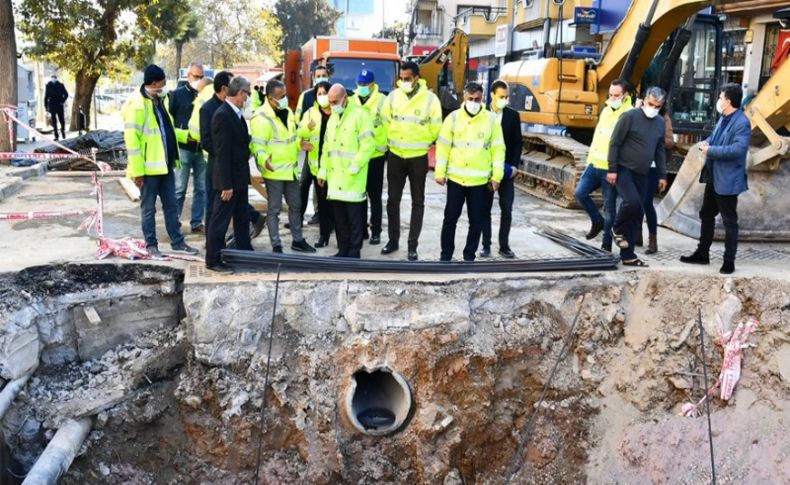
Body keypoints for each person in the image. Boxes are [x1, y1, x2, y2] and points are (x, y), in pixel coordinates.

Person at [122, 64, 198, 258]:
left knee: (171, 206)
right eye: (162, 82)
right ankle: (151, 245)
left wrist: (184, 136)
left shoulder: (160, 100)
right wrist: (137, 171)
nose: (165, 85)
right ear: (154, 82)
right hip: (148, 170)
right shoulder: (137, 105)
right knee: (148, 209)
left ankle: (177, 242)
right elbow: (132, 142)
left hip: (165, 165)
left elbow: (165, 130)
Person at [680, 83, 751, 274]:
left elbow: (738, 150)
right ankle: (702, 254)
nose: (718, 101)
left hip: (727, 180)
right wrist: (708, 142)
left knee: (729, 221)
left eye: (720, 98)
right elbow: (716, 136)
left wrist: (711, 150)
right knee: (706, 214)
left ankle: (729, 261)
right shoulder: (724, 118)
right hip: (713, 176)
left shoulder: (742, 122)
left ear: (728, 101)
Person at [435, 82, 505, 262]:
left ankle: (469, 256)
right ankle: (446, 256)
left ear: (482, 99)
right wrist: (440, 172)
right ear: (464, 98)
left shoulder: (491, 120)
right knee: (450, 219)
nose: (474, 102)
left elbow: (498, 149)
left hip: (479, 182)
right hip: (456, 180)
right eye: (470, 99)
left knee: (477, 221)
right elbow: (443, 147)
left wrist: (497, 176)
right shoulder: (453, 118)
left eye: (477, 99)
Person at [381, 61, 442, 261]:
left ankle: (412, 245)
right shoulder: (392, 97)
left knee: (418, 202)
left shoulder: (430, 100)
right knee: (392, 201)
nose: (404, 82)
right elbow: (385, 122)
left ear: (417, 78)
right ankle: (393, 240)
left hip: (417, 157)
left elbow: (436, 128)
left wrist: (423, 143)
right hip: (396, 155)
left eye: (407, 79)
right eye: (401, 79)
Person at [196, 72, 266, 243]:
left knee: (239, 212)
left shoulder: (235, 111)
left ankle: (242, 247)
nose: (247, 97)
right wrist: (228, 156)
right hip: (219, 168)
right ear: (225, 89)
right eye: (247, 93)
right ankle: (213, 249)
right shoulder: (210, 110)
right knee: (217, 212)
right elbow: (208, 143)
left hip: (236, 170)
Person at [251, 80, 316, 254]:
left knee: (296, 205)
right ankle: (276, 244)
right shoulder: (260, 117)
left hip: (291, 170)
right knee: (274, 209)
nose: (285, 99)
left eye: (285, 95)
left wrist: (300, 143)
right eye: (281, 97)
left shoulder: (287, 112)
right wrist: (264, 159)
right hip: (274, 171)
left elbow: (291, 138)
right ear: (270, 98)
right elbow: (257, 146)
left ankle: (297, 240)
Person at [606, 86, 668, 267]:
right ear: (645, 99)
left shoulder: (659, 123)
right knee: (631, 202)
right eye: (650, 103)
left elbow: (659, 150)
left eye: (657, 106)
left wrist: (662, 175)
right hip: (624, 169)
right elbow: (615, 143)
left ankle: (628, 255)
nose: (653, 108)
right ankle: (616, 229)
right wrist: (612, 169)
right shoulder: (630, 117)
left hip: (643, 173)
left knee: (638, 212)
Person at [317, 84, 376, 258]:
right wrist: (322, 171)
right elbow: (327, 147)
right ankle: (343, 250)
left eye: (335, 101)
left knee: (354, 219)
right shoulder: (333, 119)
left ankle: (354, 251)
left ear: (345, 98)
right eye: (330, 102)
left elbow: (368, 144)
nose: (332, 105)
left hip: (352, 178)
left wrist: (355, 166)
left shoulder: (360, 115)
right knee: (339, 219)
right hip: (335, 179)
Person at [574, 79, 632, 252]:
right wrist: (589, 162)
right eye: (611, 95)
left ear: (625, 95)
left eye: (616, 95)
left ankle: (606, 244)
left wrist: (615, 168)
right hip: (594, 164)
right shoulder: (606, 110)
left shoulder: (628, 114)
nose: (613, 98)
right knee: (580, 193)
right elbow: (598, 138)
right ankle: (597, 221)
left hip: (610, 167)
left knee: (609, 207)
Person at [205, 76, 254, 272]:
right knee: (220, 222)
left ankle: (244, 253)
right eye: (247, 94)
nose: (248, 98)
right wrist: (226, 185)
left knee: (242, 219)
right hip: (228, 182)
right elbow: (221, 153)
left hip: (240, 178)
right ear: (240, 93)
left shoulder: (237, 114)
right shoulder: (222, 115)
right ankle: (213, 259)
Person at [480, 80, 522, 259]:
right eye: (501, 97)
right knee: (484, 209)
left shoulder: (513, 116)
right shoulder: (482, 115)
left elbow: (517, 143)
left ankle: (504, 245)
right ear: (492, 95)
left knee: (506, 208)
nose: (505, 100)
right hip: (486, 170)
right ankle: (486, 245)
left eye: (506, 97)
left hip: (505, 171)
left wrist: (514, 166)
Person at [169, 63, 208, 234]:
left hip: (202, 150)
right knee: (179, 188)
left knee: (201, 188)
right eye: (195, 76)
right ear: (188, 76)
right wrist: (185, 135)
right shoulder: (177, 95)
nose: (198, 80)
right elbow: (168, 126)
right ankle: (174, 221)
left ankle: (197, 222)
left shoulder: (206, 95)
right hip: (183, 148)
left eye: (201, 77)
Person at [351, 69, 388, 245]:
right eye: (360, 84)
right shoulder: (352, 100)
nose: (362, 87)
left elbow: (389, 124)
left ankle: (376, 231)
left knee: (375, 196)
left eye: (366, 84)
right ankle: (362, 229)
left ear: (373, 84)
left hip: (376, 156)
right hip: (359, 156)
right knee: (359, 195)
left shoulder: (382, 100)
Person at [297, 81, 335, 247]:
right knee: (318, 200)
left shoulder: (337, 112)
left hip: (332, 165)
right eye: (319, 94)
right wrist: (306, 129)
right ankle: (322, 235)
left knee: (329, 203)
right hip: (315, 165)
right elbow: (299, 134)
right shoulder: (311, 112)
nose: (322, 97)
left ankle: (329, 233)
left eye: (324, 93)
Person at [638, 112, 674, 254]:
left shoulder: (663, 119)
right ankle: (637, 234)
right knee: (637, 201)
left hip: (653, 167)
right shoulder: (637, 114)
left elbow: (669, 142)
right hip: (637, 165)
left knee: (647, 202)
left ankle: (653, 240)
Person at [44, 74, 68, 140]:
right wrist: (46, 106)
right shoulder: (48, 85)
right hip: (52, 105)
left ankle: (62, 130)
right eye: (52, 78)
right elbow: (46, 96)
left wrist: (62, 101)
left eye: (54, 78)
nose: (53, 79)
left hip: (59, 104)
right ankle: (56, 135)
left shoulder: (60, 85)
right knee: (54, 121)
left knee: (61, 120)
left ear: (56, 78)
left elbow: (66, 94)